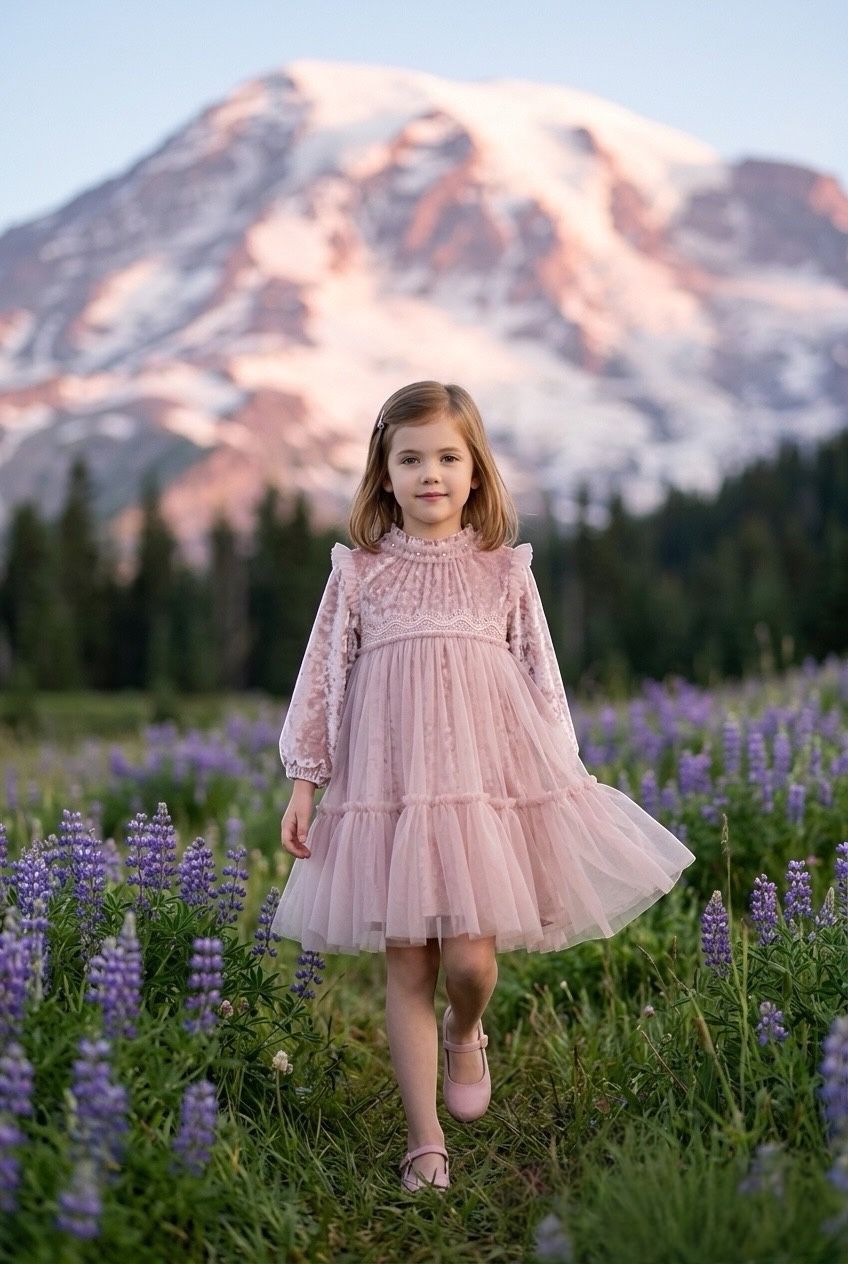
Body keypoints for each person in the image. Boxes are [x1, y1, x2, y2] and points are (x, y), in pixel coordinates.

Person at [274, 380, 696, 1193]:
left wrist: (561, 773)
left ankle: (468, 1030)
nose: (430, 473)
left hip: (482, 787)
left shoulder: (504, 572)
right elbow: (320, 679)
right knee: (407, 964)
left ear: (475, 472)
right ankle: (423, 1140)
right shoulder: (359, 574)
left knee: (469, 961)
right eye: (410, 458)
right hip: (388, 788)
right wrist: (304, 780)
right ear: (383, 474)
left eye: (447, 457)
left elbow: (542, 680)